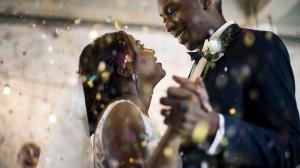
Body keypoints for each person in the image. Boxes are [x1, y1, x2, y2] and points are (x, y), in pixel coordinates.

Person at [157, 0, 300, 167]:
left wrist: (216, 127)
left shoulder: (260, 45)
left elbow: (291, 148)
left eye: (172, 11)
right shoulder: (198, 64)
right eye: (163, 18)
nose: (167, 26)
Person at [38, 31, 182, 168]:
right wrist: (175, 130)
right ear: (126, 69)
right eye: (141, 47)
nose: (152, 52)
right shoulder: (121, 115)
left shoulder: (127, 113)